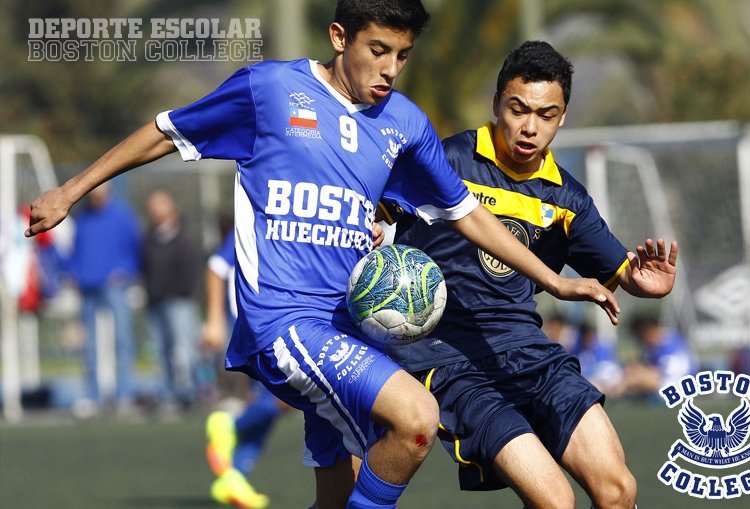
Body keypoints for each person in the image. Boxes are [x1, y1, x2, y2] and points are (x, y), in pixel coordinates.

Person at [25, 3, 620, 507]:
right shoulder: (270, 90)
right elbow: (164, 129)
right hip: (281, 322)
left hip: (347, 326)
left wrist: (557, 281)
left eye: (402, 55)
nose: (389, 69)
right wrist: (70, 191)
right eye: (378, 50)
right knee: (415, 418)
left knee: (346, 484)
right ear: (340, 38)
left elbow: (467, 213)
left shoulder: (405, 125)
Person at [381, 41, 678, 509]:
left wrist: (644, 281)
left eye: (545, 114)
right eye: (518, 109)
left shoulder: (568, 198)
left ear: (563, 118)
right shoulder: (446, 161)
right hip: (450, 358)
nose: (529, 126)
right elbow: (369, 213)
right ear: (497, 103)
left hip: (528, 352)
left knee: (618, 489)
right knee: (555, 501)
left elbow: (620, 268)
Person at [202, 228, 289, 509]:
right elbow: (216, 266)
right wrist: (215, 320)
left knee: (275, 401)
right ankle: (229, 426)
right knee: (282, 400)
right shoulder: (254, 218)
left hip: (280, 320)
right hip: (256, 324)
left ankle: (234, 477)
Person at [66, 182, 140, 413]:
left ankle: (124, 397)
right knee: (89, 346)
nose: (96, 198)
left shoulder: (122, 216)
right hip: (87, 287)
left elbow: (135, 248)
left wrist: (124, 271)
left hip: (114, 287)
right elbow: (74, 249)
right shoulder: (82, 218)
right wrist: (74, 272)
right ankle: (93, 397)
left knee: (122, 341)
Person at [143, 189, 203, 407]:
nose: (155, 210)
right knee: (162, 351)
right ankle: (169, 393)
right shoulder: (150, 238)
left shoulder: (184, 238)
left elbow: (190, 272)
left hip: (179, 302)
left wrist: (179, 292)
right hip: (155, 303)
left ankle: (190, 393)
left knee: (185, 349)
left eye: (160, 204)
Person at [618, 314, 695, 398]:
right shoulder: (654, 346)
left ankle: (614, 396)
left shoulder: (668, 342)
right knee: (631, 370)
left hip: (677, 389)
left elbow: (662, 376)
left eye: (639, 334)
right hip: (668, 385)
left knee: (633, 376)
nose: (639, 339)